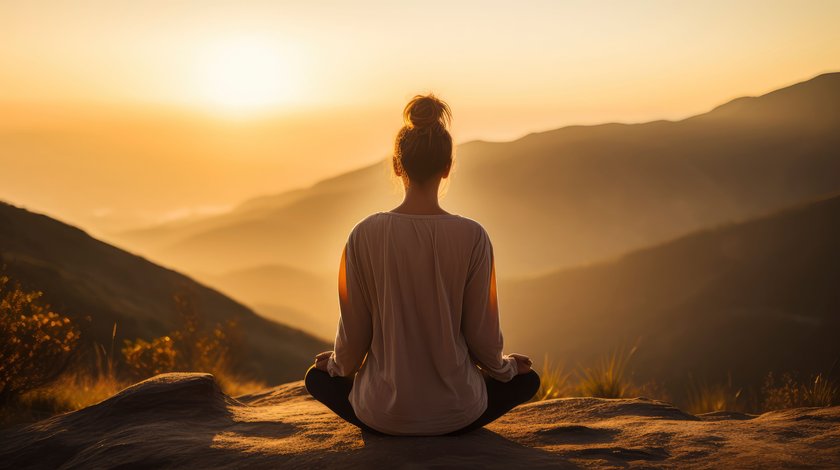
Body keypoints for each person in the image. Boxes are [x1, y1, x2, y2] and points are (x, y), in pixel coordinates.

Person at [304, 94, 540, 436]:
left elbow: (354, 336)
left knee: (316, 378)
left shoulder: (364, 234)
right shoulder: (473, 236)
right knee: (528, 380)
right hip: (457, 415)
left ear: (398, 166)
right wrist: (505, 370)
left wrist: (338, 366)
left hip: (381, 416)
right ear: (447, 168)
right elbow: (482, 337)